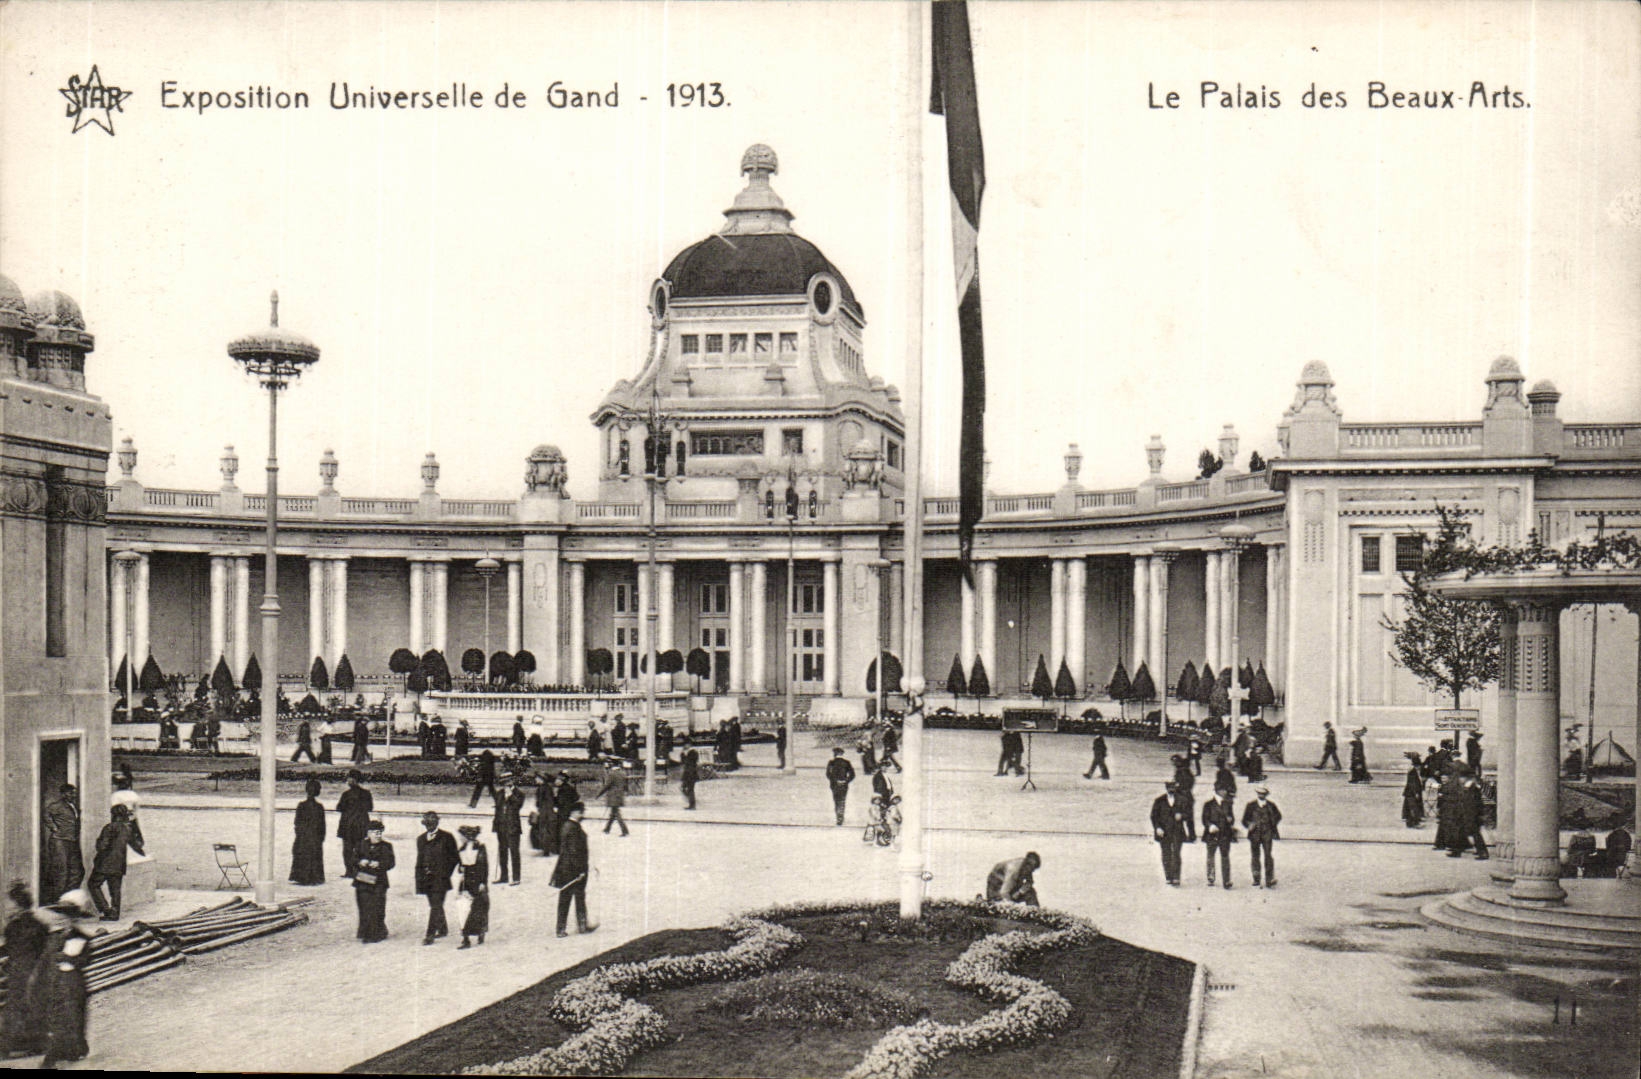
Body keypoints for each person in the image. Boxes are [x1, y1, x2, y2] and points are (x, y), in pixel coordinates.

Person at [38, 890, 94, 1067]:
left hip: (73, 982)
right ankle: (74, 1048)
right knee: (62, 1017)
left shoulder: (81, 938)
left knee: (69, 1017)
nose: (63, 919)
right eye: (61, 915)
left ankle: (55, 1056)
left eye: (68, 916)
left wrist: (66, 958)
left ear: (75, 918)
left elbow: (83, 959)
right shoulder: (56, 936)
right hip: (58, 980)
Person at [1, 883, 48, 1058]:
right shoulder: (38, 925)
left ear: (18, 905)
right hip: (29, 972)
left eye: (10, 904)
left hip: (23, 974)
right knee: (29, 1008)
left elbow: (11, 948)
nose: (6, 908)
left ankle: (7, 1048)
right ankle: (35, 1044)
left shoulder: (15, 927)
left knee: (16, 1009)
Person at [87, 804, 141, 922]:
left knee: (93, 884)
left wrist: (98, 841)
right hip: (119, 864)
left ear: (114, 814)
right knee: (115, 889)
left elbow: (102, 847)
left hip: (105, 863)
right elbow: (138, 845)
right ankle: (115, 913)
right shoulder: (128, 829)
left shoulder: (109, 827)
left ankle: (105, 909)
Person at [414, 811, 459, 945]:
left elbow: (454, 858)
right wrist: (419, 876)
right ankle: (443, 928)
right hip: (425, 878)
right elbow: (420, 859)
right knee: (435, 904)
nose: (429, 826)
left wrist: (445, 873)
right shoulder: (421, 839)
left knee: (435, 905)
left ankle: (430, 934)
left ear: (437, 823)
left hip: (440, 878)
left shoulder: (447, 837)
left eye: (432, 823)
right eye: (427, 824)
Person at [551, 803, 595, 937]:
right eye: (581, 812)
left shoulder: (568, 826)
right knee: (571, 898)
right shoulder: (573, 828)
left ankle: (573, 926)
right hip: (572, 869)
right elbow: (574, 851)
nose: (583, 815)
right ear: (575, 812)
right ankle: (572, 927)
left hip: (565, 868)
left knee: (573, 897)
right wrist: (580, 870)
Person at [353, 821, 395, 943]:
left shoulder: (386, 846)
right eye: (376, 833)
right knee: (364, 907)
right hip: (363, 881)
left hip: (379, 882)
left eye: (380, 833)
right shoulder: (361, 845)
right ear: (369, 833)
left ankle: (377, 933)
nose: (378, 835)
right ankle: (366, 932)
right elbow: (353, 859)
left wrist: (380, 864)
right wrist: (360, 862)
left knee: (377, 907)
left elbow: (391, 863)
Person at [42, 784, 83, 905]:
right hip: (59, 841)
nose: (73, 795)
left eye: (74, 793)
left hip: (72, 841)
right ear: (63, 794)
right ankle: (56, 900)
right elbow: (46, 814)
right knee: (61, 871)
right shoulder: (56, 806)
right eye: (70, 793)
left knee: (77, 871)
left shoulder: (73, 806)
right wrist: (54, 828)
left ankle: (67, 897)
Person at [1150, 782, 1191, 887]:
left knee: (1176, 853)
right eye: (1169, 788)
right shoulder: (1159, 801)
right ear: (1166, 788)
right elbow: (1154, 816)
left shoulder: (1182, 800)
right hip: (1164, 832)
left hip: (1177, 831)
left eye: (1173, 787)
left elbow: (1188, 814)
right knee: (1166, 853)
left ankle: (1176, 877)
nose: (1171, 789)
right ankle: (1168, 876)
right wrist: (1157, 828)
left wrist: (1181, 816)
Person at [335, 770, 374, 879]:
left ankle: (349, 871)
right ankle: (358, 871)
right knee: (360, 849)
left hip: (347, 826)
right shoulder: (366, 794)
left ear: (354, 780)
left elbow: (339, 808)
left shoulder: (346, 794)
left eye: (349, 778)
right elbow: (370, 808)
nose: (347, 781)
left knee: (347, 850)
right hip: (361, 826)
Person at [1242, 785, 1283, 888]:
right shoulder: (1251, 805)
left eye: (1263, 794)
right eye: (1259, 793)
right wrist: (1249, 825)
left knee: (1268, 855)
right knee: (1255, 856)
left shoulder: (1271, 805)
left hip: (1267, 834)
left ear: (1266, 795)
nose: (1261, 795)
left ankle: (1269, 879)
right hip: (1255, 834)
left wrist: (1272, 823)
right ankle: (1256, 878)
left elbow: (1278, 816)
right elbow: (1244, 820)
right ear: (1257, 794)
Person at [455, 825, 489, 948]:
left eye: (461, 837)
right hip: (465, 882)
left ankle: (480, 931)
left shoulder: (480, 848)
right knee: (463, 907)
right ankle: (465, 937)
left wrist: (483, 882)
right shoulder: (461, 849)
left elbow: (484, 866)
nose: (460, 839)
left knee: (478, 908)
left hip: (477, 881)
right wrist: (461, 868)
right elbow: (460, 865)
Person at [289, 778, 327, 885]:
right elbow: (322, 825)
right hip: (314, 837)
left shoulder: (301, 805)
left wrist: (300, 833)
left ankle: (302, 877)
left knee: (302, 854)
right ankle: (314, 877)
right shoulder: (319, 807)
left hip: (303, 836)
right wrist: (321, 837)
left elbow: (297, 822)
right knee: (314, 855)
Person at [1448, 764, 1488, 860]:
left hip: (1471, 814)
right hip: (1463, 812)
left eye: (1461, 777)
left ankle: (1483, 853)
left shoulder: (1472, 788)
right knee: (1459, 831)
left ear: (1466, 778)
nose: (1460, 780)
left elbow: (1477, 803)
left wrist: (1479, 814)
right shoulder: (1465, 787)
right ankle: (1456, 851)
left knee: (1475, 833)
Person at [1202, 787, 1237, 889]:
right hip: (1212, 834)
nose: (1225, 791)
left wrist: (1230, 820)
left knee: (1225, 856)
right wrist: (1210, 826)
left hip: (1225, 834)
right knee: (1211, 856)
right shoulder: (1208, 804)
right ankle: (1211, 877)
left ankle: (1226, 880)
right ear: (1217, 791)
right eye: (1223, 789)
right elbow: (1205, 819)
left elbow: (1232, 818)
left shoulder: (1228, 804)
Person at [493, 779, 526, 884]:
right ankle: (504, 876)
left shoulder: (519, 794)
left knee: (514, 852)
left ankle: (516, 878)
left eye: (507, 783)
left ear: (512, 782)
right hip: (501, 827)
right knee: (502, 852)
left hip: (513, 827)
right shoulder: (499, 793)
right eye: (503, 784)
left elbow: (517, 806)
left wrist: (510, 796)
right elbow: (497, 808)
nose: (505, 786)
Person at [596, 760, 630, 837]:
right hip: (620, 796)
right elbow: (626, 785)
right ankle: (607, 829)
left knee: (616, 814)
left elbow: (606, 786)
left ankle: (625, 831)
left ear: (612, 765)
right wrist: (626, 792)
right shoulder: (623, 773)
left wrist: (598, 794)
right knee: (613, 813)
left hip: (613, 796)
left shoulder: (611, 774)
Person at [550, 771, 580, 854]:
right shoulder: (569, 787)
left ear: (561, 780)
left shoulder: (562, 790)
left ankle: (559, 849)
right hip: (569, 811)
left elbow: (560, 802)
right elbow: (577, 797)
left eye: (557, 779)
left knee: (560, 829)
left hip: (563, 812)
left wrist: (554, 798)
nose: (556, 781)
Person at [825, 747, 856, 825]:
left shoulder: (831, 762)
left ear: (834, 754)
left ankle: (838, 817)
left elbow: (828, 774)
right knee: (842, 800)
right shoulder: (847, 762)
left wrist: (835, 780)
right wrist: (846, 781)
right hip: (844, 785)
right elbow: (852, 774)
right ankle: (840, 817)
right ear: (842, 754)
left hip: (834, 785)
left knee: (836, 800)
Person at [530, 774, 554, 853]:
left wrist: (540, 810)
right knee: (545, 830)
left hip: (544, 812)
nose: (536, 780)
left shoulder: (543, 788)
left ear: (541, 779)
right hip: (546, 811)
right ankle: (545, 848)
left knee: (543, 830)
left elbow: (544, 801)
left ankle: (545, 849)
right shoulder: (546, 788)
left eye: (537, 778)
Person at [1401, 754, 1425, 828]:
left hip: (1409, 792)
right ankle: (1415, 823)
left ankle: (1410, 823)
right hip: (1412, 793)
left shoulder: (1413, 771)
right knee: (1413, 808)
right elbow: (1412, 784)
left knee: (1409, 808)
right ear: (1417, 765)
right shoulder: (1413, 772)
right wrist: (1416, 793)